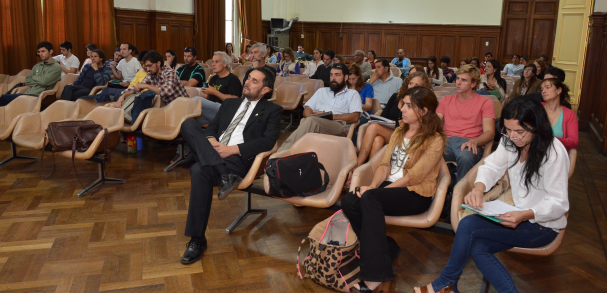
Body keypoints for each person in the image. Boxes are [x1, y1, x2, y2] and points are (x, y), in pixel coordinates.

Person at [415, 97, 570, 293]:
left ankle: (445, 283)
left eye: (520, 132)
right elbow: (492, 166)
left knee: (468, 226)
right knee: (476, 247)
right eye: (508, 130)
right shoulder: (510, 140)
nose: (513, 136)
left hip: (542, 225)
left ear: (537, 127)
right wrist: (479, 188)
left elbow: (559, 203)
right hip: (518, 213)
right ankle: (447, 284)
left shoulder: (554, 152)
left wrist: (524, 215)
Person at [343, 86, 446, 293]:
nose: (403, 109)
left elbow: (413, 177)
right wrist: (371, 187)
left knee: (369, 199)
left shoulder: (435, 140)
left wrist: (373, 193)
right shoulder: (399, 131)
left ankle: (374, 278)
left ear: (424, 111)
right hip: (388, 189)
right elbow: (384, 165)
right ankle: (388, 250)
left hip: (416, 193)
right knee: (350, 201)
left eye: (409, 106)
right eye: (403, 105)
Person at [179, 67, 283, 264]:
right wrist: (210, 140)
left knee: (198, 170)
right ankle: (224, 175)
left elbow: (269, 141)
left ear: (265, 90)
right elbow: (212, 127)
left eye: (254, 81)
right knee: (187, 124)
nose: (247, 82)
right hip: (214, 152)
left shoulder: (272, 110)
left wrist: (233, 149)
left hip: (237, 159)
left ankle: (197, 240)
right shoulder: (230, 103)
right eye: (248, 78)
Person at [278, 63, 362, 152]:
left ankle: (281, 153)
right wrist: (313, 116)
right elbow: (307, 110)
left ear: (345, 78)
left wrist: (329, 116)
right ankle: (292, 156)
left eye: (337, 75)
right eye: (331, 75)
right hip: (316, 121)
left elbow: (355, 117)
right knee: (310, 121)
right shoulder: (321, 91)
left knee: (311, 122)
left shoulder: (352, 94)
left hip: (339, 126)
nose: (333, 78)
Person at [356, 71, 430, 167]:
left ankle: (357, 167)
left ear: (422, 88)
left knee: (373, 127)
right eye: (411, 83)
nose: (412, 86)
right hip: (390, 132)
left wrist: (397, 124)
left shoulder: (421, 105)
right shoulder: (395, 97)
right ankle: (370, 172)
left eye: (417, 85)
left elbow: (416, 127)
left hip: (406, 136)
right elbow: (383, 117)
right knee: (378, 140)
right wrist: (390, 123)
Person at [437, 65, 495, 185]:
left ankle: (459, 195)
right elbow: (435, 123)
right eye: (458, 78)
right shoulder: (446, 100)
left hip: (470, 142)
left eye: (464, 80)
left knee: (465, 156)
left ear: (473, 84)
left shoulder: (485, 102)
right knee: (426, 149)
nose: (458, 82)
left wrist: (475, 141)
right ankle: (433, 193)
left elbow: (490, 133)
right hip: (446, 141)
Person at [115, 50, 188, 123]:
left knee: (151, 116)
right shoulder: (151, 74)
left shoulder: (169, 73)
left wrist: (146, 86)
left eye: (150, 65)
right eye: (146, 66)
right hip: (167, 106)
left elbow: (166, 92)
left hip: (182, 106)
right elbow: (136, 88)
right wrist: (123, 96)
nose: (148, 69)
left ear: (158, 63)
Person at [0, 42, 62, 106]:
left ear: (51, 51)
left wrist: (34, 77)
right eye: (39, 52)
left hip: (38, 96)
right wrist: (39, 81)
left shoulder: (56, 68)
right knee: (2, 97)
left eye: (43, 51)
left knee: (4, 99)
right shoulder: (37, 66)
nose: (40, 54)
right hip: (27, 94)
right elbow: (27, 80)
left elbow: (44, 82)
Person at [191, 52, 242, 125]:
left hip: (225, 110)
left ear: (225, 64)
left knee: (196, 100)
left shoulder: (233, 79)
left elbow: (234, 100)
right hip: (211, 111)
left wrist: (214, 92)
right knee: (188, 120)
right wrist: (204, 93)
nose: (213, 64)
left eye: (216, 62)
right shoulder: (214, 78)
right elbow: (205, 96)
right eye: (213, 61)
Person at [80, 50, 149, 103]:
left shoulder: (153, 74)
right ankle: (83, 100)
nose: (143, 67)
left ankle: (83, 100)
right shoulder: (141, 71)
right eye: (141, 64)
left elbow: (143, 89)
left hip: (136, 94)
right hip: (128, 91)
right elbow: (133, 84)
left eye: (145, 64)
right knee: (105, 90)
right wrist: (128, 84)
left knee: (108, 92)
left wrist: (125, 94)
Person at [541, 78, 578, 149]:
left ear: (559, 90)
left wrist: (552, 139)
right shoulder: (536, 107)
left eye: (547, 87)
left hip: (558, 155)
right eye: (542, 89)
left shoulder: (569, 114)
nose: (543, 91)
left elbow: (574, 142)